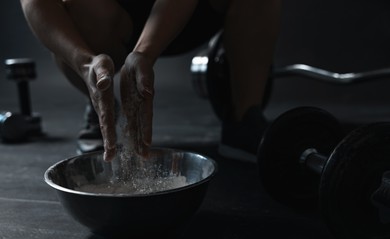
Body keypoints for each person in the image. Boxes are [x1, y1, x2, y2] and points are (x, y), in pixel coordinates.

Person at [20, 0, 281, 163]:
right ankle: (100, 97)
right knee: (76, 9)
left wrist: (145, 53)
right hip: (113, 18)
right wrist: (84, 62)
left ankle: (244, 115)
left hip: (189, 11)